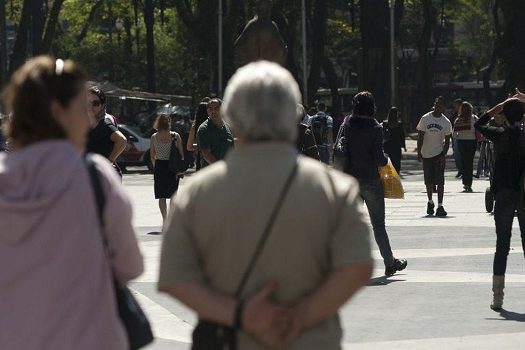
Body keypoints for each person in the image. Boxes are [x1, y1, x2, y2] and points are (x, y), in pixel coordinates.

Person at [158, 61, 373, 349]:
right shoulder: (336, 190)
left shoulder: (196, 194)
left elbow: (174, 279)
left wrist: (242, 315)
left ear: (232, 116)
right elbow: (358, 267)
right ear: (293, 116)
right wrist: (300, 316)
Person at [0, 56, 143, 349]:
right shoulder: (95, 176)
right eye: (82, 108)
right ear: (57, 112)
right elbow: (130, 266)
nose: (90, 119)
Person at [344, 91, 407, 276]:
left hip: (350, 181)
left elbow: (340, 149)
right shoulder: (375, 128)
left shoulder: (347, 123)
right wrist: (386, 159)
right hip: (371, 180)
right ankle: (389, 263)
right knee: (378, 225)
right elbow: (379, 159)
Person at [475, 95, 525, 311]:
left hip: (503, 193)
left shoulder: (499, 135)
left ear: (504, 116)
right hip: (523, 193)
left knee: (502, 246)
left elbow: (478, 124)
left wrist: (498, 107)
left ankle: (498, 297)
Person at [417, 96, 453, 217]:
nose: (438, 106)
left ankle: (440, 205)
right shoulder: (425, 118)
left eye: (441, 105)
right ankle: (430, 201)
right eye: (436, 104)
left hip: (438, 154)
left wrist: (443, 155)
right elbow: (420, 136)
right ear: (434, 104)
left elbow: (447, 141)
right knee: (428, 181)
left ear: (444, 107)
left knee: (440, 182)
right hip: (426, 154)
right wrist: (419, 152)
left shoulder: (446, 122)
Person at [150, 114, 184, 226]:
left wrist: (156, 166)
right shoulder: (175, 136)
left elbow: (152, 155)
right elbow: (181, 155)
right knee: (173, 195)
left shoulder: (154, 137)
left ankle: (164, 219)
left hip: (160, 166)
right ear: (169, 123)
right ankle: (171, 220)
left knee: (161, 195)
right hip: (172, 167)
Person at [86, 85, 127, 176]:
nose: (90, 106)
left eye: (95, 103)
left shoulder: (103, 123)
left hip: (102, 177)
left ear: (102, 105)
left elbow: (122, 140)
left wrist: (109, 162)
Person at [196, 98, 235, 168]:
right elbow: (206, 154)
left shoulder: (228, 127)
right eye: (210, 108)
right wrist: (220, 168)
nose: (213, 111)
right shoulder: (203, 129)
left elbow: (232, 150)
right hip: (211, 173)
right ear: (207, 111)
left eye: (216, 108)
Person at [453, 101, 478, 192]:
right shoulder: (474, 118)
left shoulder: (458, 119)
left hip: (462, 142)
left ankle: (465, 183)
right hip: (472, 141)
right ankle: (469, 183)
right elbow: (479, 128)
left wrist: (458, 137)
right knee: (469, 163)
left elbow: (454, 133)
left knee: (463, 162)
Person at [382, 107, 406, 174]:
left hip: (387, 145)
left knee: (387, 163)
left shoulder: (385, 123)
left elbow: (382, 135)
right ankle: (396, 177)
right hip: (396, 146)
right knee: (396, 164)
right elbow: (402, 135)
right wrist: (403, 146)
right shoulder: (399, 124)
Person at [186, 101, 209, 171]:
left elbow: (189, 147)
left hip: (200, 158)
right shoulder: (216, 125)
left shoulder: (195, 126)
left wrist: (200, 146)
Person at [451, 98, 463, 178]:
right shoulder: (454, 114)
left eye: (456, 105)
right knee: (456, 155)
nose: (454, 106)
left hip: (463, 136)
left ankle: (463, 170)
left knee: (462, 155)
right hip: (455, 136)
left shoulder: (466, 113)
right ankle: (460, 170)